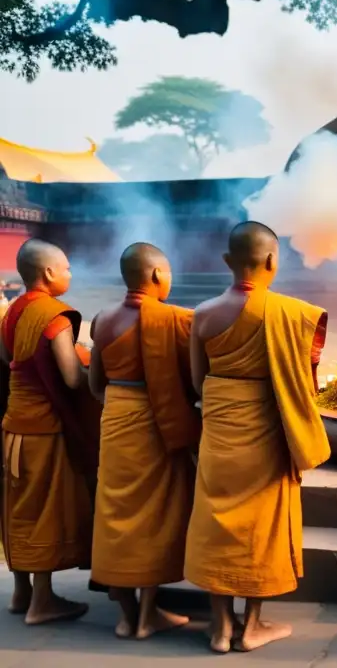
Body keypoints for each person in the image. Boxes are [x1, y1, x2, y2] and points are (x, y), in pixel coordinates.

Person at [185, 221, 330, 653]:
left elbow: (197, 381)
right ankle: (252, 625)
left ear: (228, 261)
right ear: (272, 261)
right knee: (261, 528)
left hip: (220, 430)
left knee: (216, 522)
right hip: (267, 432)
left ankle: (219, 627)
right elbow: (304, 381)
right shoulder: (292, 314)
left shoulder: (204, 314)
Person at [88, 242, 199, 638]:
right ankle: (149, 613)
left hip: (116, 417)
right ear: (155, 275)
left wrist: (120, 401)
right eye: (166, 272)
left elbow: (94, 384)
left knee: (114, 515)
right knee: (156, 517)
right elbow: (194, 379)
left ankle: (126, 614)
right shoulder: (176, 319)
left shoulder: (101, 320)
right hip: (157, 419)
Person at [0, 239, 98, 625]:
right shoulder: (55, 316)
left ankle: (22, 592)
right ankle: (43, 602)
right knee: (43, 509)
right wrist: (96, 366)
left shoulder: (11, 312)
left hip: (12, 425)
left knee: (18, 507)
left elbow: (9, 360)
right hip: (43, 429)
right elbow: (72, 379)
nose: (71, 274)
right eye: (68, 268)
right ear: (49, 273)